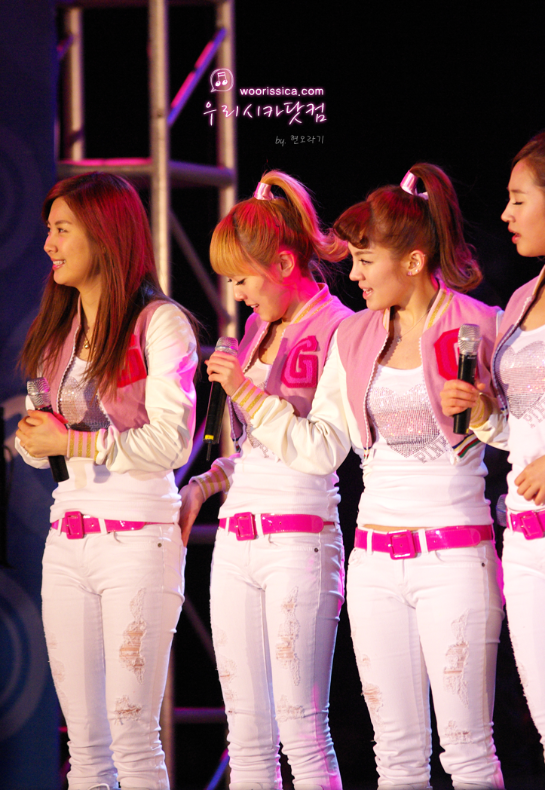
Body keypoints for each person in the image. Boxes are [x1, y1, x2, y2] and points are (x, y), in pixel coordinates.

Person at [209, 164, 505, 789]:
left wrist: (487, 416)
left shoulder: (480, 323)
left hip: (452, 552)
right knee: (394, 757)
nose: (355, 271)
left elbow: (514, 428)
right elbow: (315, 443)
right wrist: (214, 473)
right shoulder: (355, 335)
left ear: (414, 261)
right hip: (374, 558)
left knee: (468, 755)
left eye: (367, 260)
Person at [16, 172, 198, 790]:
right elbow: (42, 448)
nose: (49, 244)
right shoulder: (59, 331)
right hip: (67, 541)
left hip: (136, 539)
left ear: (105, 234)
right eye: (48, 230)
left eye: (62, 230)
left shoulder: (159, 324)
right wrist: (36, 439)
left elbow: (172, 442)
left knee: (133, 739)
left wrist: (69, 441)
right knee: (87, 749)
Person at [179, 170, 351, 790]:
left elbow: (321, 450)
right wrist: (204, 485)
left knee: (302, 732)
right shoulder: (258, 330)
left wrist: (245, 389)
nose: (238, 294)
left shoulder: (340, 328)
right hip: (237, 540)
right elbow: (258, 451)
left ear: (282, 263)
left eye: (243, 279)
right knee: (248, 738)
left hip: (298, 540)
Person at [441, 130, 545, 764]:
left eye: (519, 199)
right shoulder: (521, 300)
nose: (505, 214)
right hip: (526, 540)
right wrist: (484, 415)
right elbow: (520, 429)